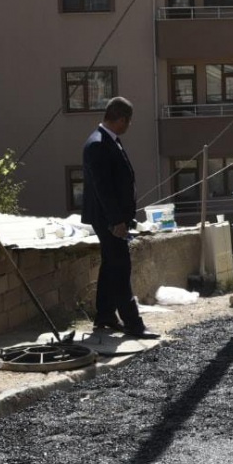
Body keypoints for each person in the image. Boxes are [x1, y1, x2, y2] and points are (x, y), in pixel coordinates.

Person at [81, 97, 157, 338]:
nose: (129, 126)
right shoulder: (98, 144)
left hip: (114, 218)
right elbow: (103, 188)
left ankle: (104, 315)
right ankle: (134, 324)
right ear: (121, 119)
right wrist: (116, 221)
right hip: (108, 219)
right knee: (121, 267)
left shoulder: (110, 141)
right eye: (128, 122)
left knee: (110, 264)